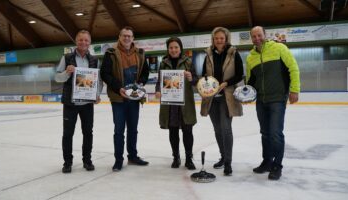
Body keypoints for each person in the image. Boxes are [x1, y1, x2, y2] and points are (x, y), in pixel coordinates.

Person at [246, 26, 300, 180]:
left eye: (259, 35)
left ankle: (277, 164)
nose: (257, 38)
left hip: (277, 98)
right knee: (265, 133)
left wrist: (294, 90)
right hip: (261, 100)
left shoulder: (279, 48)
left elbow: (293, 68)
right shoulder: (250, 57)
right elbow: (250, 80)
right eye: (254, 36)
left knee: (275, 133)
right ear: (251, 38)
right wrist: (247, 95)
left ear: (265, 35)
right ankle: (267, 161)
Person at [100, 26, 150, 172]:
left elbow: (145, 72)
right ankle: (118, 160)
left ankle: (133, 156)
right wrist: (118, 88)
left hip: (134, 98)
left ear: (133, 38)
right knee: (119, 130)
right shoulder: (110, 53)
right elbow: (105, 73)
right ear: (119, 37)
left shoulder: (140, 53)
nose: (127, 38)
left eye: (129, 36)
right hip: (118, 98)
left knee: (133, 129)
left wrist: (140, 83)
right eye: (124, 36)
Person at [55, 30, 102, 173]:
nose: (83, 42)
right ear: (76, 41)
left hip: (87, 104)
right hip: (71, 103)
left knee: (88, 133)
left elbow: (98, 81)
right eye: (81, 40)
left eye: (86, 40)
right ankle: (67, 162)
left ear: (90, 42)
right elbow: (57, 78)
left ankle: (87, 160)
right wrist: (66, 72)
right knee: (68, 134)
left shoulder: (94, 60)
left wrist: (97, 94)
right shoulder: (67, 57)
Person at [200, 27, 244, 176]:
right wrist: (205, 83)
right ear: (213, 39)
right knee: (218, 130)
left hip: (227, 96)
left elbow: (239, 74)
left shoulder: (233, 53)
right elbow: (203, 74)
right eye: (216, 38)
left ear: (226, 39)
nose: (219, 40)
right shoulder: (209, 54)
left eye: (221, 38)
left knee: (226, 129)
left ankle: (228, 163)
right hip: (212, 98)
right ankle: (223, 156)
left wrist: (226, 83)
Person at [155, 37, 197, 170]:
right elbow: (159, 81)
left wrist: (191, 78)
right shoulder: (163, 63)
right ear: (168, 49)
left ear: (180, 48)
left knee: (187, 131)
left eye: (176, 47)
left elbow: (196, 80)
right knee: (173, 131)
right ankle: (176, 157)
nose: (173, 50)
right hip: (170, 103)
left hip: (185, 103)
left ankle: (189, 159)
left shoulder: (188, 62)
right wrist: (157, 91)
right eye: (171, 47)